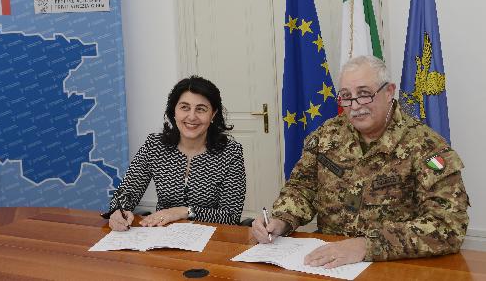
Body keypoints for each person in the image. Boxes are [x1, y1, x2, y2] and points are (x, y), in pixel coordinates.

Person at [252, 55, 469, 268]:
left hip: (394, 266)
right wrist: (281, 221)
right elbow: (302, 188)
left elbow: (448, 225)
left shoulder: (427, 146)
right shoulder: (327, 135)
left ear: (389, 92)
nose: (355, 105)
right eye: (346, 96)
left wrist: (367, 246)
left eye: (364, 94)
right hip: (329, 263)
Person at [108, 76, 246, 231]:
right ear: (174, 111)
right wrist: (118, 211)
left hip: (213, 239)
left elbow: (231, 216)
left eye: (201, 109)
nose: (192, 116)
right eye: (184, 107)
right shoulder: (155, 145)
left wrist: (184, 212)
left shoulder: (230, 152)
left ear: (213, 114)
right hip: (161, 236)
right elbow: (128, 190)